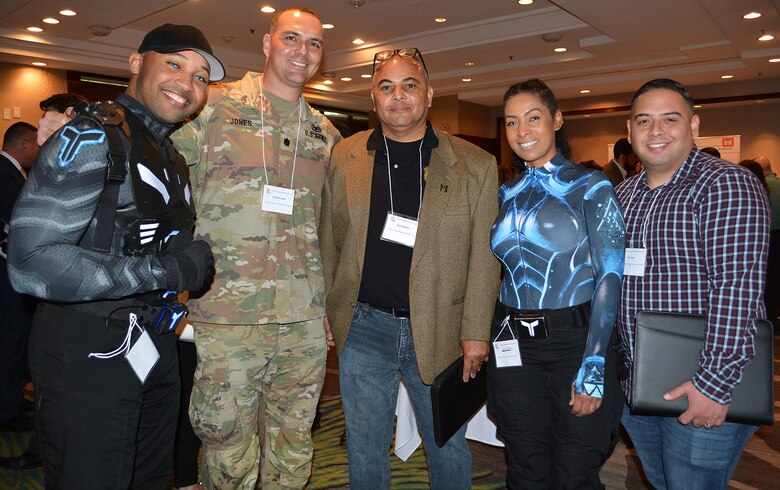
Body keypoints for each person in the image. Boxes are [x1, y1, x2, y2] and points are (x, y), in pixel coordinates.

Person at [7, 24, 222, 489]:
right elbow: (31, 263)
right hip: (88, 351)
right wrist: (168, 267)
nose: (187, 83)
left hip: (153, 347)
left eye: (202, 76)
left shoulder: (171, 156)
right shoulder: (88, 137)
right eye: (174, 64)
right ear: (135, 63)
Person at [170, 7, 342, 489]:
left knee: (293, 448)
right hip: (226, 317)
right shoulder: (211, 110)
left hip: (303, 323)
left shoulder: (325, 136)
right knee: (227, 446)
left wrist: (330, 305)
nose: (302, 51)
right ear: (267, 44)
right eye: (291, 38)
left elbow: (332, 229)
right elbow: (162, 194)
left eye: (313, 44)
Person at [320, 47, 500, 490]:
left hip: (441, 330)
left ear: (429, 94)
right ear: (373, 98)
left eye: (409, 85)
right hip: (362, 327)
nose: (397, 96)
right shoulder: (345, 157)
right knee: (364, 445)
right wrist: (327, 308)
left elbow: (484, 257)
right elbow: (330, 240)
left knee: (447, 445)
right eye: (386, 87)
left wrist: (476, 330)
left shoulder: (475, 165)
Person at [615, 79, 769, 489]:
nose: (656, 131)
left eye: (670, 119)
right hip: (639, 384)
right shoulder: (624, 194)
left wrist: (714, 386)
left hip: (701, 383)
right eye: (644, 121)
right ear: (630, 132)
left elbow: (737, 289)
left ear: (694, 125)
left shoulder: (725, 185)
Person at [488, 79, 625, 489]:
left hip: (575, 342)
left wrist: (594, 364)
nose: (522, 131)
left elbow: (610, 277)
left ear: (557, 120)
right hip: (513, 344)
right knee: (524, 464)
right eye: (512, 123)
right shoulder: (505, 192)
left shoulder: (592, 186)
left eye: (533, 118)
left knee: (575, 469)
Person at [0, 122, 38, 435]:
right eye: (36, 144)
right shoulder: (4, 173)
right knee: (11, 341)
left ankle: (11, 399)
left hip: (11, 274)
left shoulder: (10, 172)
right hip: (7, 276)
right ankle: (6, 410)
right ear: (25, 143)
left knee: (14, 340)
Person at [756, 155, 780, 327]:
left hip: (765, 239)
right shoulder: (776, 185)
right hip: (778, 238)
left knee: (765, 282)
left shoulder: (754, 188)